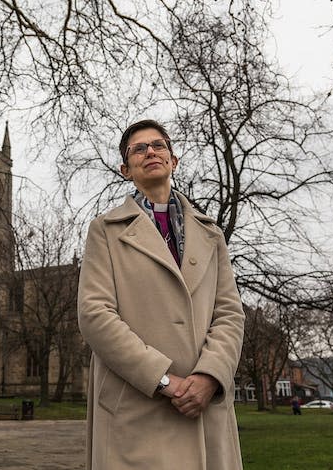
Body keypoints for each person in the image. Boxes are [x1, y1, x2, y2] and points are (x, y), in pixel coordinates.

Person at [77, 119, 245, 470]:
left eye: (159, 145)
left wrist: (210, 376)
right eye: (139, 149)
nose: (150, 151)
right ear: (126, 169)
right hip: (137, 409)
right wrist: (164, 380)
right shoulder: (104, 231)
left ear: (174, 160)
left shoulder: (211, 234)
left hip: (206, 412)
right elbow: (95, 315)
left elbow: (229, 313)